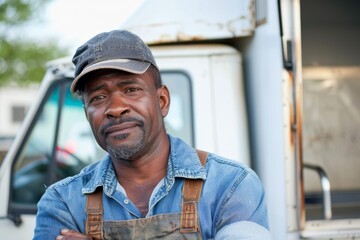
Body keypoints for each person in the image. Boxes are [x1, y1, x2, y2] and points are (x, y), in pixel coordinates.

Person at [33, 30, 271, 240]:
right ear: (87, 115)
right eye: (98, 97)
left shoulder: (230, 185)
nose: (115, 108)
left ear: (162, 101)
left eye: (131, 89)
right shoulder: (62, 202)